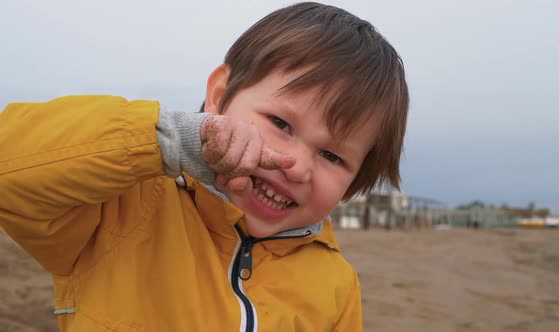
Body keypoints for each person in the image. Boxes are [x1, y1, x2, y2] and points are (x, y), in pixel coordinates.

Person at [0, 2, 408, 331]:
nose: (298, 167)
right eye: (280, 123)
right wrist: (168, 139)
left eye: (333, 156)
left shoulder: (336, 285)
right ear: (218, 94)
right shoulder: (122, 208)